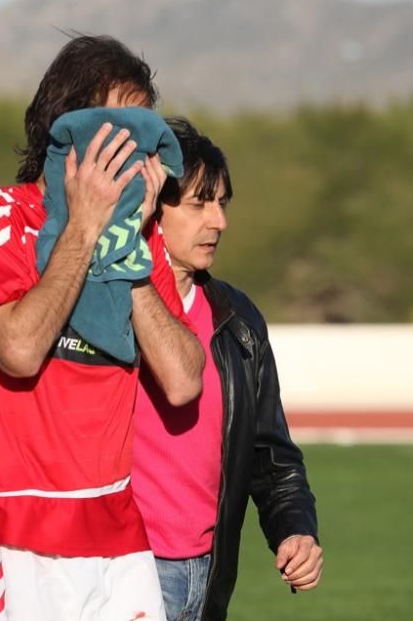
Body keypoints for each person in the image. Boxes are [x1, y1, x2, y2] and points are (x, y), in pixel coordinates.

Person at [0, 34, 205, 621]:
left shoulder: (142, 240)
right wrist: (84, 227)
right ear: (70, 125)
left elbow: (184, 378)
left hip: (115, 525)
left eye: (144, 135)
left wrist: (125, 246)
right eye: (121, 130)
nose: (139, 152)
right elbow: (17, 348)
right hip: (16, 527)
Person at [132, 117, 322, 621]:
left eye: (221, 204)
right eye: (198, 204)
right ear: (151, 208)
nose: (219, 221)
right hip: (127, 571)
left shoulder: (238, 319)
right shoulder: (101, 312)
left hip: (210, 576)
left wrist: (295, 529)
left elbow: (271, 454)